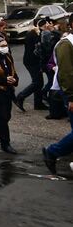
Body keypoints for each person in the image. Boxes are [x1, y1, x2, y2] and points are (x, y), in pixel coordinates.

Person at [42, 15, 73, 174]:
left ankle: (53, 152)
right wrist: (70, 97)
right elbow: (66, 73)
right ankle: (52, 152)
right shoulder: (66, 44)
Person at [15, 18, 49, 112]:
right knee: (37, 82)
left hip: (32, 60)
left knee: (39, 82)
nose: (46, 25)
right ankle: (20, 97)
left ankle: (38, 103)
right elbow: (38, 49)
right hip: (32, 61)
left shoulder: (35, 33)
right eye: (45, 24)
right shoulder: (34, 34)